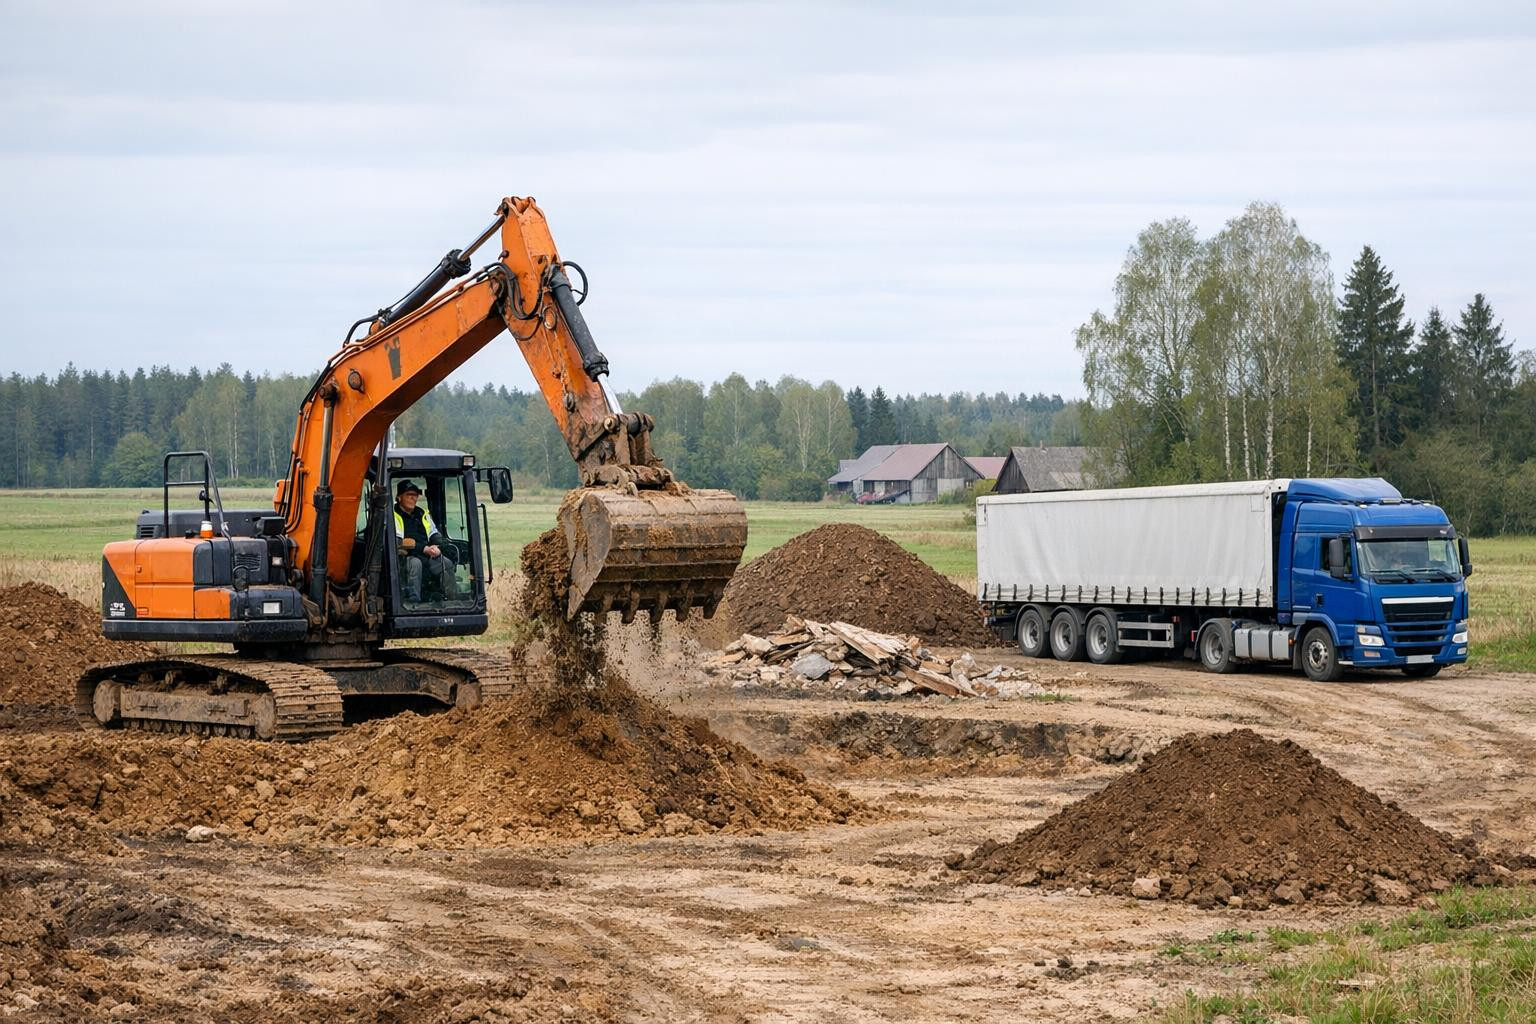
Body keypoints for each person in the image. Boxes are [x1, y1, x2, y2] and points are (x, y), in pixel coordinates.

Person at [393, 480, 456, 604]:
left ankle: (451, 601)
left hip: (426, 554)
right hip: (404, 557)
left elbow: (434, 533)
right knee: (416, 564)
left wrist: (438, 547)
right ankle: (413, 603)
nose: (413, 498)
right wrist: (423, 548)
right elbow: (399, 542)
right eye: (409, 495)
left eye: (415, 495)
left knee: (446, 563)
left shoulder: (422, 514)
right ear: (399, 497)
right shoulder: (392, 515)